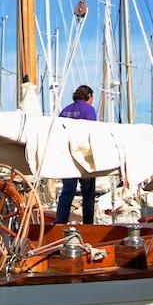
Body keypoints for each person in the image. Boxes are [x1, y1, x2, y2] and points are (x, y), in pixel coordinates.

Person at [53, 86, 100, 225]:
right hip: (83, 157)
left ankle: (60, 222)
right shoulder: (88, 110)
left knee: (67, 191)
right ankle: (88, 225)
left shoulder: (65, 110)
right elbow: (92, 132)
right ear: (88, 97)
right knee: (88, 193)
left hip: (66, 156)